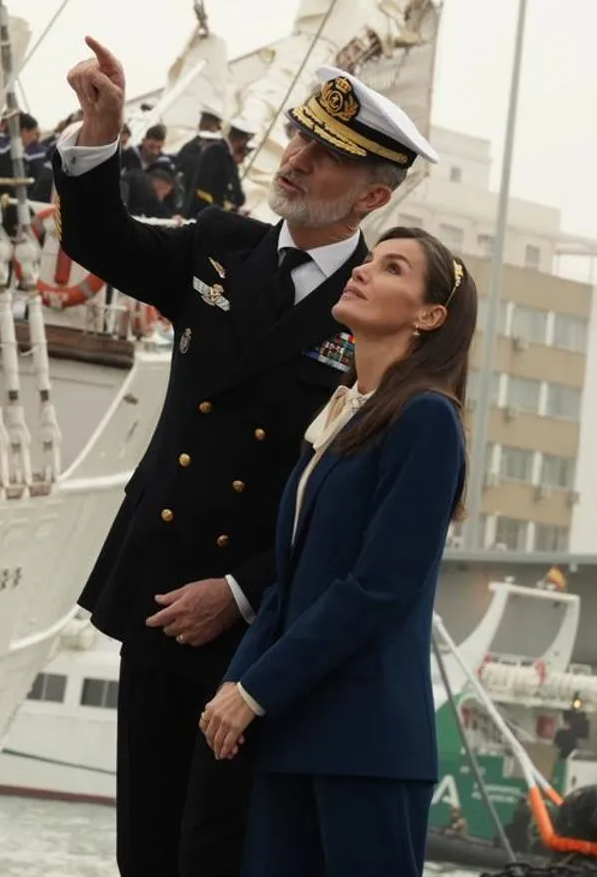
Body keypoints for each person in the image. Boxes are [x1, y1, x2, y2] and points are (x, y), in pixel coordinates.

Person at [54, 43, 435, 877]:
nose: (295, 158)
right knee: (146, 852)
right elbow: (100, 236)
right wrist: (100, 134)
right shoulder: (223, 245)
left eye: (325, 154)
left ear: (373, 195)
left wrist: (238, 591)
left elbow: (349, 510)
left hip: (263, 627)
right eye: (301, 136)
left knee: (221, 854)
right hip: (158, 590)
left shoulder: (373, 317)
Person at [201, 225, 476, 877]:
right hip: (291, 732)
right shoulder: (342, 413)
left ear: (429, 315)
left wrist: (257, 688)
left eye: (393, 268)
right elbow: (289, 584)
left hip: (365, 742)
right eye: (370, 260)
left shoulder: (427, 418)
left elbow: (378, 586)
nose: (364, 270)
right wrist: (236, 683)